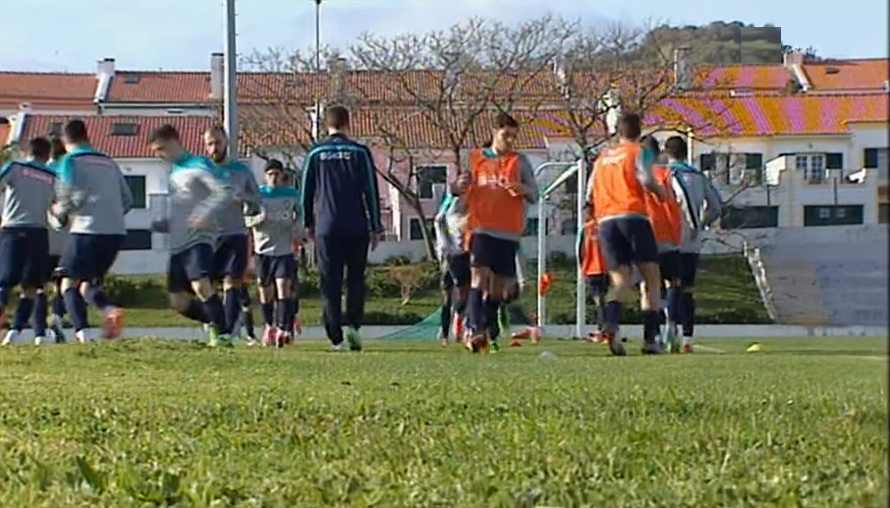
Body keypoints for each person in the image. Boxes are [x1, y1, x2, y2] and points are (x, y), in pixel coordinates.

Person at [301, 105, 384, 352]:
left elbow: (307, 191)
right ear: (348, 123)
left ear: (327, 124)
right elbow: (371, 189)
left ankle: (335, 336)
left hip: (326, 226)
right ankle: (354, 328)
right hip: (356, 225)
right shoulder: (359, 152)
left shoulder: (316, 153)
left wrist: (307, 223)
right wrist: (376, 226)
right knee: (356, 279)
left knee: (330, 281)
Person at [457, 112, 539, 353]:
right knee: (478, 279)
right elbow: (458, 190)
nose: (511, 141)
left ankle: (489, 329)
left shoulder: (520, 161)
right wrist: (457, 189)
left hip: (509, 232)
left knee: (499, 289)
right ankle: (473, 329)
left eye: (514, 136)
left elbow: (535, 194)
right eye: (506, 135)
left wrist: (522, 188)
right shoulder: (476, 159)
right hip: (481, 228)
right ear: (495, 133)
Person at [587, 113, 666, 356]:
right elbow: (645, 178)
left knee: (620, 280)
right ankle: (650, 339)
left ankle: (611, 322)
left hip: (606, 221)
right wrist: (660, 192)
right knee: (651, 276)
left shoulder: (601, 158)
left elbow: (589, 193)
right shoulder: (638, 151)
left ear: (617, 132)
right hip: (633, 216)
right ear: (639, 131)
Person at [148, 124, 233, 347]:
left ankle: (224, 336)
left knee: (201, 285)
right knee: (178, 301)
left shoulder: (198, 165)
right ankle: (214, 320)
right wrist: (164, 224)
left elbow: (224, 191)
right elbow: (181, 207)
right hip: (178, 244)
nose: (159, 155)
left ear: (174, 142)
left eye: (161, 149)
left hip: (199, 239)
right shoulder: (173, 173)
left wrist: (205, 213)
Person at [51, 120, 131, 343]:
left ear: (65, 141)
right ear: (87, 136)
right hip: (115, 232)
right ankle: (110, 310)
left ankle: (83, 334)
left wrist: (57, 212)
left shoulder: (70, 161)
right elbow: (128, 199)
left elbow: (66, 199)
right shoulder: (109, 162)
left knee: (68, 282)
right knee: (87, 285)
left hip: (87, 230)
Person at [663, 136, 723, 353]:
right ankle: (687, 339)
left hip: (670, 236)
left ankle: (671, 331)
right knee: (688, 289)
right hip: (693, 238)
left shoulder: (666, 175)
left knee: (671, 284)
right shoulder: (698, 177)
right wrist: (702, 223)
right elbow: (716, 205)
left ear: (666, 152)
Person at [204, 126, 261, 339]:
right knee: (206, 285)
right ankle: (213, 324)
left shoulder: (242, 171)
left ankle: (226, 333)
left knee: (232, 283)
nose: (214, 148)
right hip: (208, 236)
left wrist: (243, 198)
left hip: (235, 233)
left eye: (217, 142)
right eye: (210, 143)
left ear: (226, 143)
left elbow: (256, 201)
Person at [0, 137, 57, 345]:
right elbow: (57, 205)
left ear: (28, 151)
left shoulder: (15, 167)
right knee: (32, 287)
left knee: (4, 282)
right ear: (47, 155)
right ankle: (15, 331)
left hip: (13, 229)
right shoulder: (52, 176)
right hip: (38, 232)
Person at [245, 159, 303, 348]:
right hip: (263, 250)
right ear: (265, 176)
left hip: (284, 250)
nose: (274, 178)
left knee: (283, 288)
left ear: (282, 175)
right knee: (265, 292)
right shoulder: (257, 195)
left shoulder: (291, 194)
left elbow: (301, 214)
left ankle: (283, 328)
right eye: (270, 174)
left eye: (277, 174)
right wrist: (259, 219)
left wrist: (297, 228)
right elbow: (246, 219)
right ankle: (269, 325)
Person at [641, 151, 687, 352]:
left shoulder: (639, 176)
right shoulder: (668, 174)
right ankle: (673, 325)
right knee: (673, 283)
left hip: (648, 235)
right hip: (669, 235)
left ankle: (655, 333)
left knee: (649, 286)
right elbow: (682, 199)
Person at [433, 189, 469, 346]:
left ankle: (459, 326)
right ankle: (446, 333)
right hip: (451, 258)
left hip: (462, 256)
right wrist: (449, 198)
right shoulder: (447, 218)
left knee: (464, 295)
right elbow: (438, 221)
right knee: (449, 298)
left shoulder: (466, 216)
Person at [47, 136, 70, 343]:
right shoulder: (67, 172)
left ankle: (38, 331)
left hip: (42, 235)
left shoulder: (40, 171)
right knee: (64, 282)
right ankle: (56, 317)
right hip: (64, 237)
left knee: (37, 286)